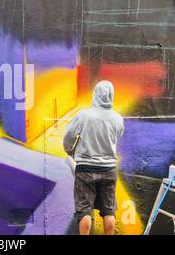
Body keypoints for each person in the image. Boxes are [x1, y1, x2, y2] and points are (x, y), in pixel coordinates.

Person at [63, 80, 124, 235]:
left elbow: (69, 136)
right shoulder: (117, 118)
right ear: (111, 95)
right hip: (109, 169)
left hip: (86, 169)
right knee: (109, 210)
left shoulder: (84, 115)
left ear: (95, 94)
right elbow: (117, 136)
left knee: (84, 211)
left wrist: (70, 151)